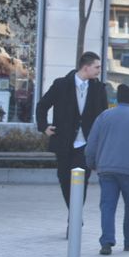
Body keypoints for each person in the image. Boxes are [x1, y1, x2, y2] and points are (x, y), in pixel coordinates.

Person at [85, 84, 129, 254]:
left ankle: (106, 241)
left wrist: (92, 163)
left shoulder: (104, 116)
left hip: (107, 169)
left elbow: (91, 144)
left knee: (107, 205)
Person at [35, 51, 108, 210]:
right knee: (64, 178)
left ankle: (75, 218)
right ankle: (74, 213)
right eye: (97, 67)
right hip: (64, 141)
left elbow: (104, 116)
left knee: (81, 181)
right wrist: (43, 127)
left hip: (86, 145)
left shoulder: (99, 88)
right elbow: (42, 106)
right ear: (86, 67)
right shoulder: (61, 84)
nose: (99, 70)